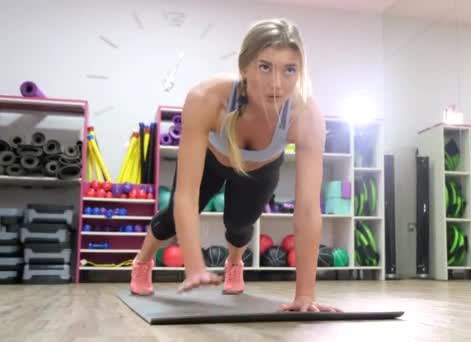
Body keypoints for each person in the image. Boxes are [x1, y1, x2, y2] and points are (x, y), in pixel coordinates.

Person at [129, 18, 340, 313]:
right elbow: (186, 195)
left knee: (240, 227)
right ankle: (142, 261)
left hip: (260, 170)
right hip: (212, 161)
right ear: (244, 67)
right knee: (170, 220)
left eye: (289, 70)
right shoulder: (206, 98)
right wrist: (194, 265)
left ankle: (235, 263)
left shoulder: (306, 116)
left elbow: (307, 209)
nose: (277, 83)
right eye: (264, 66)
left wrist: (305, 295)